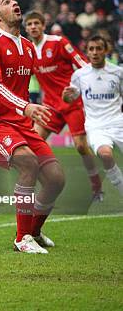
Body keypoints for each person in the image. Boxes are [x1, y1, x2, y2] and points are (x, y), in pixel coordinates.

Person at [0, 0, 65, 254]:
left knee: (56, 179)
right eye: (5, 2)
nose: (14, 3)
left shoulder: (27, 46)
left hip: (20, 123)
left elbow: (48, 75)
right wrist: (26, 106)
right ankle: (22, 238)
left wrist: (69, 89)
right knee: (28, 163)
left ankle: (34, 232)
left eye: (14, 1)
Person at [24, 11, 103, 200]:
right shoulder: (27, 51)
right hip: (50, 105)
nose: (33, 27)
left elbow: (82, 64)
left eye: (37, 23)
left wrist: (81, 88)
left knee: (80, 146)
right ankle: (45, 186)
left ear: (44, 25)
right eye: (30, 24)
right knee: (33, 143)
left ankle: (96, 186)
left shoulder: (59, 42)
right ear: (26, 28)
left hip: (71, 102)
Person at [63, 35, 123, 196]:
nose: (95, 52)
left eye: (98, 48)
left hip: (119, 123)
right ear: (87, 52)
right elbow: (70, 97)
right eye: (91, 49)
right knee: (105, 154)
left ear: (106, 50)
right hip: (96, 127)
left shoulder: (118, 73)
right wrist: (66, 96)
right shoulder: (80, 75)